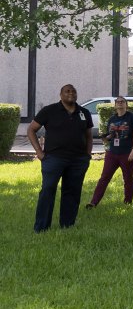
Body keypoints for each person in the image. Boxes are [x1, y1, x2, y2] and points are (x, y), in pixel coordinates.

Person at [27, 84, 93, 232]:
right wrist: (39, 151)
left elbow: (88, 135)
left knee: (72, 192)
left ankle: (67, 225)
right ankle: (41, 227)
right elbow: (31, 129)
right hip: (53, 159)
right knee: (48, 190)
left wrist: (87, 155)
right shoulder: (49, 111)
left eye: (73, 91)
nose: (71, 93)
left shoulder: (84, 112)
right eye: (67, 91)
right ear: (61, 94)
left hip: (78, 160)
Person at [86, 96, 133, 208]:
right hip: (112, 153)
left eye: (122, 102)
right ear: (115, 105)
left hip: (127, 152)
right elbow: (111, 135)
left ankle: (128, 202)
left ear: (126, 105)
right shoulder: (112, 119)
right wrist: (106, 137)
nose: (120, 103)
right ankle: (93, 203)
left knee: (128, 178)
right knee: (104, 177)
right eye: (118, 102)